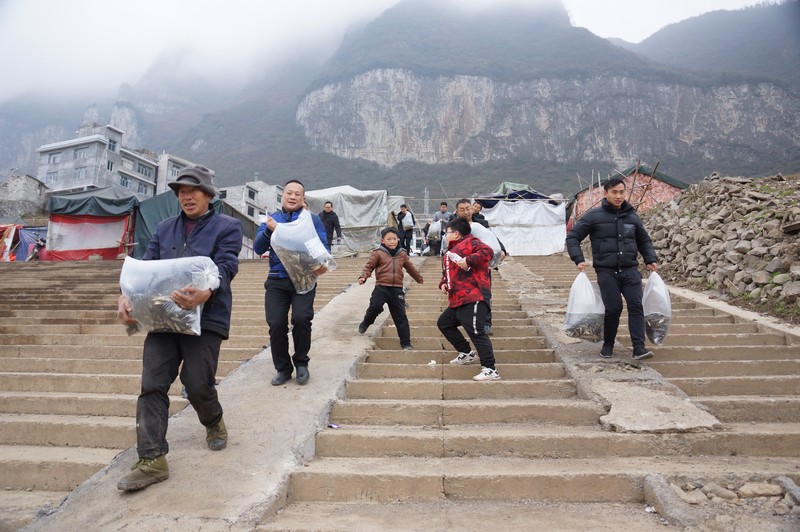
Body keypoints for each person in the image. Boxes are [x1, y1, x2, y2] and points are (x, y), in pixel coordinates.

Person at [116, 165, 243, 492]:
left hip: (207, 317)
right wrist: (127, 297)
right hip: (163, 317)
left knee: (197, 383)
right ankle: (152, 458)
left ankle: (213, 420)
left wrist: (207, 291)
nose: (186, 196)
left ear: (208, 194)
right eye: (181, 191)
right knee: (152, 384)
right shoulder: (164, 228)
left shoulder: (227, 227)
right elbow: (146, 267)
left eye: (194, 190)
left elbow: (227, 264)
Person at [565, 176, 658, 361]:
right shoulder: (594, 217)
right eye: (614, 192)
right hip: (606, 271)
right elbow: (573, 237)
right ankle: (608, 345)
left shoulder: (632, 217)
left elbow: (644, 240)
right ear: (605, 193)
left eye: (622, 192)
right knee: (613, 308)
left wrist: (650, 258)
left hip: (630, 269)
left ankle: (639, 348)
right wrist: (578, 258)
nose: (618, 196)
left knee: (636, 305)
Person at [254, 180, 329, 386]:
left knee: (302, 318)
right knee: (276, 324)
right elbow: (259, 248)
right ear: (283, 196)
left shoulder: (311, 219)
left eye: (297, 194)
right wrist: (269, 230)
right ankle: (283, 368)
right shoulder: (271, 219)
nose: (293, 196)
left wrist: (322, 262)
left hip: (304, 279)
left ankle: (301, 363)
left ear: (303, 198)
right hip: (277, 279)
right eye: (289, 193)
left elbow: (322, 245)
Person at [439, 217, 499, 381]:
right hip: (457, 298)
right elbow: (447, 274)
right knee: (444, 323)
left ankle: (490, 369)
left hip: (472, 296)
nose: (445, 236)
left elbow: (488, 251)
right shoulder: (449, 252)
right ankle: (466, 352)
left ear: (456, 233)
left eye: (447, 233)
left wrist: (468, 260)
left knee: (476, 332)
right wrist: (443, 283)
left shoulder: (471, 242)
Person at [357, 227, 424, 350]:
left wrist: (418, 278)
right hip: (381, 287)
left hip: (397, 289)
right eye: (389, 239)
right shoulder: (378, 252)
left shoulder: (402, 254)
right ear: (383, 240)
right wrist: (363, 277)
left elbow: (410, 268)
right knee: (375, 307)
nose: (392, 241)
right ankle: (366, 323)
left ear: (398, 239)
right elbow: (369, 266)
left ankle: (406, 343)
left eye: (394, 239)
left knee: (400, 316)